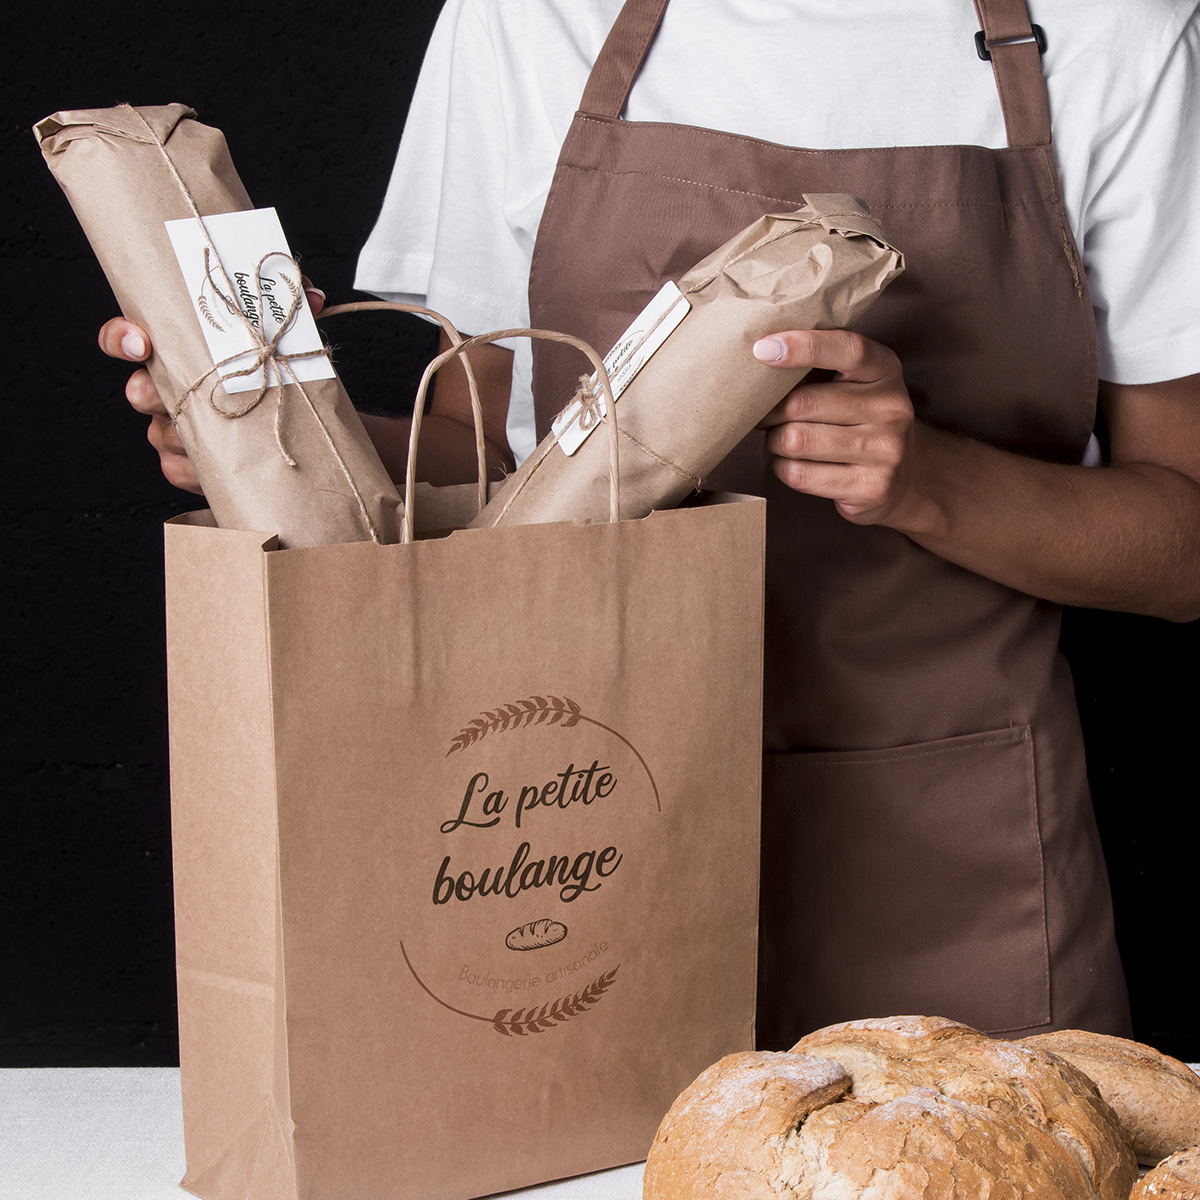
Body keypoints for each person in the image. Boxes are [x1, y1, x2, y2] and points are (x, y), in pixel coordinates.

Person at [101, 0, 1200, 1046]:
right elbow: (484, 460)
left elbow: (1184, 554)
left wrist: (924, 479)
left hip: (956, 860)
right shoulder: (533, 21)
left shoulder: (1109, 35)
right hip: (565, 837)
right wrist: (259, 441)